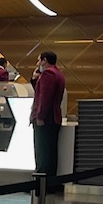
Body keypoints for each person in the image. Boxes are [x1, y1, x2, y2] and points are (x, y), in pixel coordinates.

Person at [32, 50, 66, 185]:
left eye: (39, 60)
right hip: (54, 117)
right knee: (50, 151)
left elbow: (44, 98)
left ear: (44, 60)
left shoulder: (48, 74)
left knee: (42, 152)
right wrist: (35, 80)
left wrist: (40, 116)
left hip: (46, 118)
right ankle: (49, 184)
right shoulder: (58, 73)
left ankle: (41, 184)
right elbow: (42, 91)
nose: (37, 63)